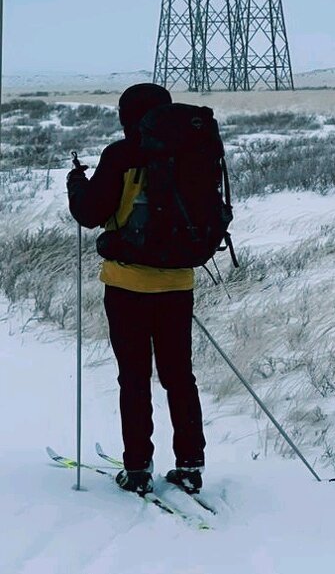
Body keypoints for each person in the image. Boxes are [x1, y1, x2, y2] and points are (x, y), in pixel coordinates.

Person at [67, 82, 206, 496]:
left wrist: (77, 184)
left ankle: (138, 469)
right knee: (179, 376)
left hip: (127, 284)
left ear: (127, 116)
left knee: (134, 376)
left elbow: (90, 214)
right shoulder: (191, 152)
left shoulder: (120, 155)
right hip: (178, 282)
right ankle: (190, 464)